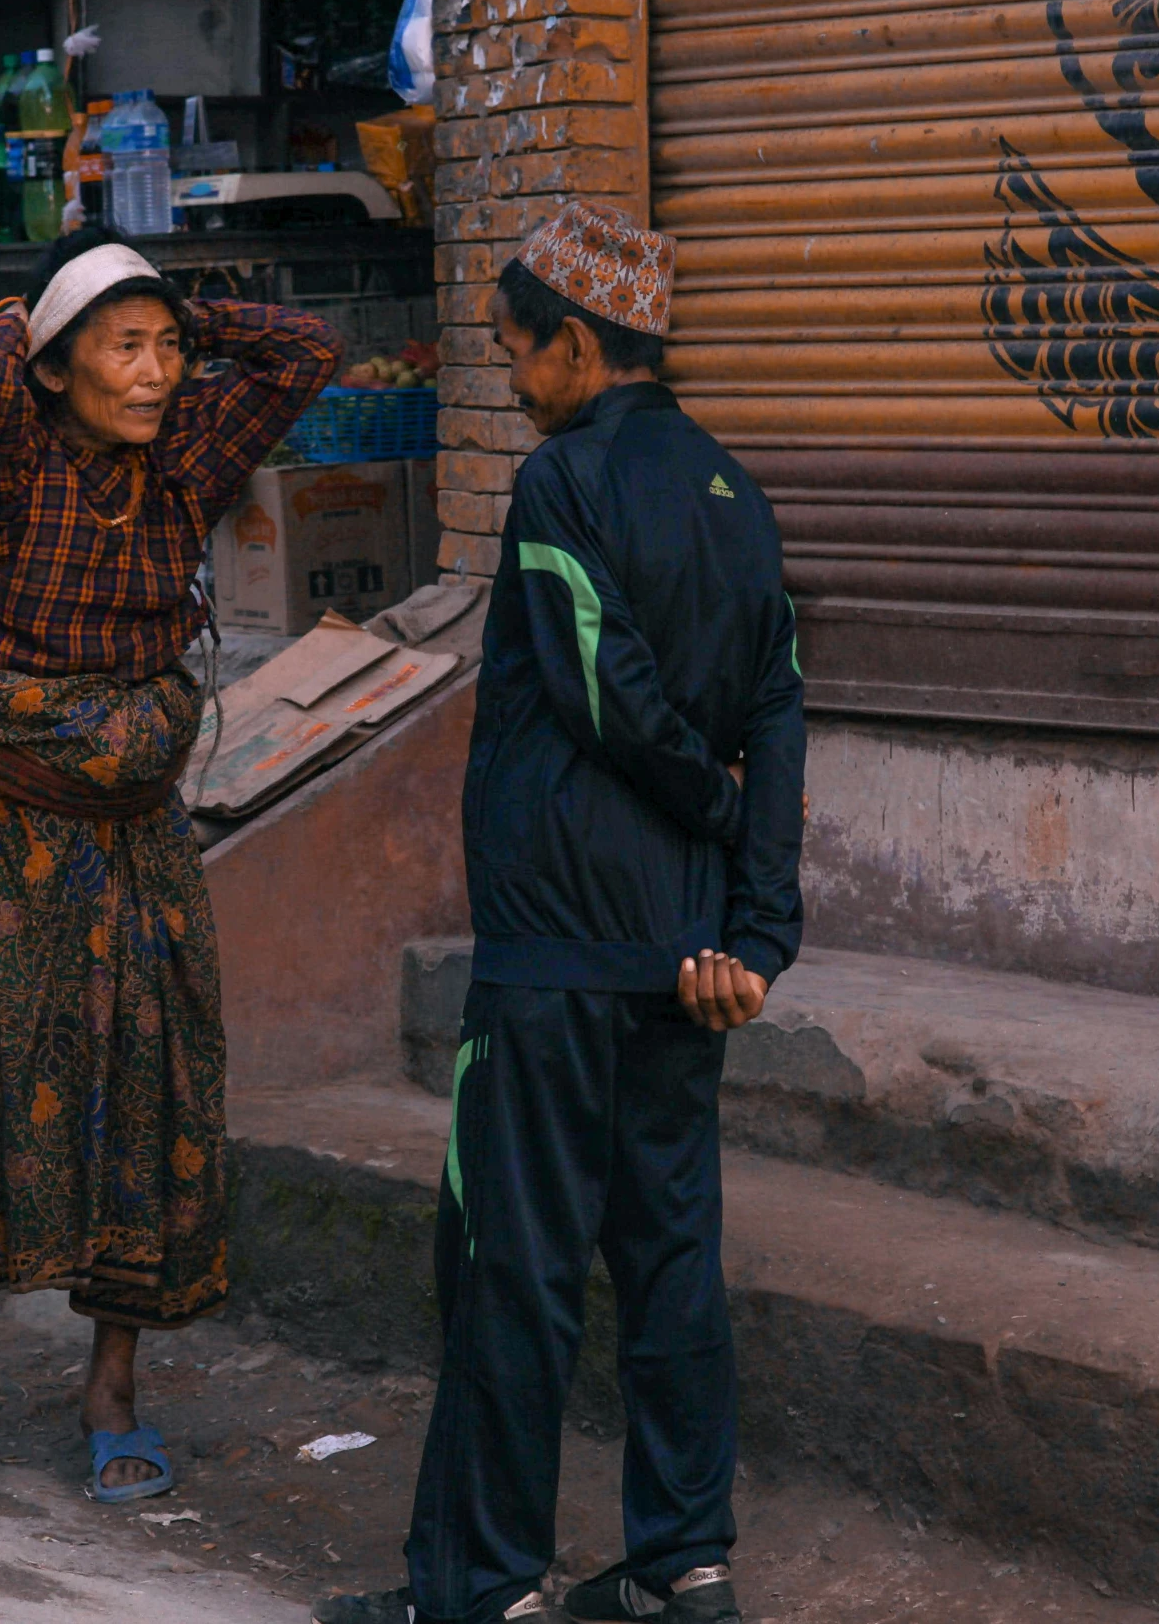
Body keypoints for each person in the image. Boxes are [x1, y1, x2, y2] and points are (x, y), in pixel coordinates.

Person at [317, 201, 806, 1624]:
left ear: (582, 347)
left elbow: (601, 685)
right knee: (668, 1260)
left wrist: (711, 818)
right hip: (687, 955)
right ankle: (683, 1563)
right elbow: (775, 710)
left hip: (553, 959)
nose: (512, 383)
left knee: (509, 1265)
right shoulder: (736, 489)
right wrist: (760, 927)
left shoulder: (561, 487)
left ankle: (480, 1587)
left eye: (518, 355)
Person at [0, 226, 340, 1503]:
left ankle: (111, 1387)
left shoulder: (184, 462)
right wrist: (15, 324)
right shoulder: (6, 449)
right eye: (122, 348)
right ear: (56, 364)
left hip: (124, 824)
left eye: (166, 351)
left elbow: (306, 350)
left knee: (143, 1079)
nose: (152, 373)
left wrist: (174, 301)